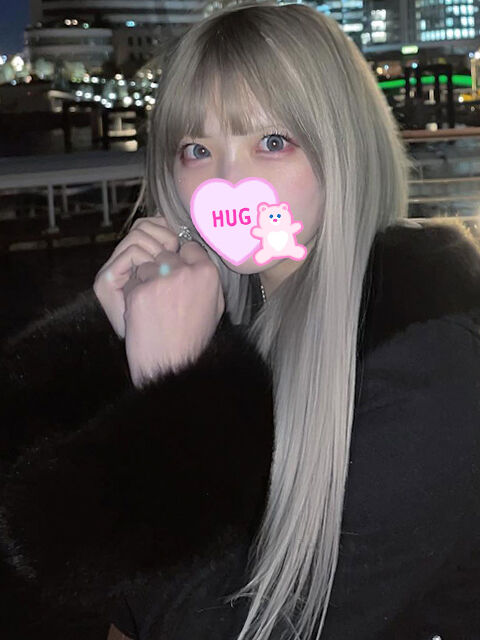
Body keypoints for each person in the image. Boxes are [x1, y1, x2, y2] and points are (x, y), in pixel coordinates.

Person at [2, 2, 480, 639]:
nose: (227, 180)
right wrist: (111, 344)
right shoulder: (233, 318)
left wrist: (171, 390)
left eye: (272, 142)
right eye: (197, 149)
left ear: (345, 149)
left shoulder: (433, 371)